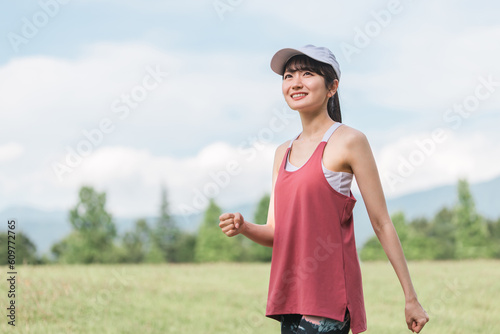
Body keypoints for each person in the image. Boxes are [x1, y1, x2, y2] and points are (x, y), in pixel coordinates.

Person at [218, 45, 429, 334]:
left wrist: (411, 298)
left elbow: (381, 223)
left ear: (332, 87)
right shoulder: (282, 152)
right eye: (288, 75)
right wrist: (244, 227)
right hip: (291, 300)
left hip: (330, 302)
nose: (296, 83)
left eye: (307, 73)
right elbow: (276, 233)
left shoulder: (350, 141)